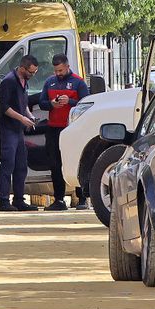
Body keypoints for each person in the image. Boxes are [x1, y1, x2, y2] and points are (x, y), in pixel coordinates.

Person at [41, 54, 87, 211]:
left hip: (72, 128)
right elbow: (42, 103)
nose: (58, 73)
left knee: (76, 162)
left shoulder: (78, 82)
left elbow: (86, 103)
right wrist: (52, 104)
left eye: (60, 70)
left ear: (67, 66)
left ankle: (81, 198)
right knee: (55, 164)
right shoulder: (49, 82)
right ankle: (59, 199)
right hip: (53, 128)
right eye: (56, 70)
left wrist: (70, 102)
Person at [0, 55, 40, 211]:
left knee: (21, 165)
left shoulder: (24, 81)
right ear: (22, 68)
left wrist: (29, 116)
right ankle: (3, 200)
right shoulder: (9, 82)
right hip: (8, 129)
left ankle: (19, 199)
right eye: (31, 72)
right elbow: (4, 107)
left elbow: (24, 102)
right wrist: (22, 118)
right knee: (8, 164)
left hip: (18, 130)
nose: (32, 75)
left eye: (34, 72)